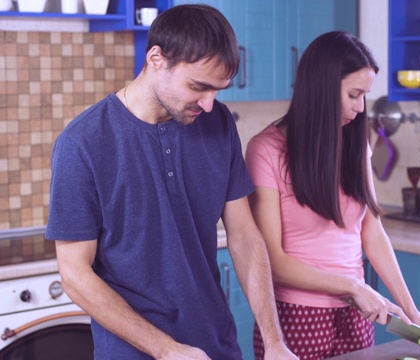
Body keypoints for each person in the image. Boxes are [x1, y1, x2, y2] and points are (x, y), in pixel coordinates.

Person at [46, 4, 298, 360]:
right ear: (156, 59)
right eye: (199, 86)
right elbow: (74, 274)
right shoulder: (83, 143)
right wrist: (166, 350)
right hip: (136, 351)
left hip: (217, 345)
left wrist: (274, 342)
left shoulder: (218, 123)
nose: (209, 104)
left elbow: (243, 234)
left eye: (218, 90)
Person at [245, 31, 420, 360]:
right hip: (295, 316)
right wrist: (353, 286)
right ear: (322, 86)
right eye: (354, 94)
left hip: (357, 315)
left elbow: (372, 232)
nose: (360, 106)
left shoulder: (355, 144)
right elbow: (272, 262)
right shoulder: (265, 150)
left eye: (365, 95)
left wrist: (412, 314)